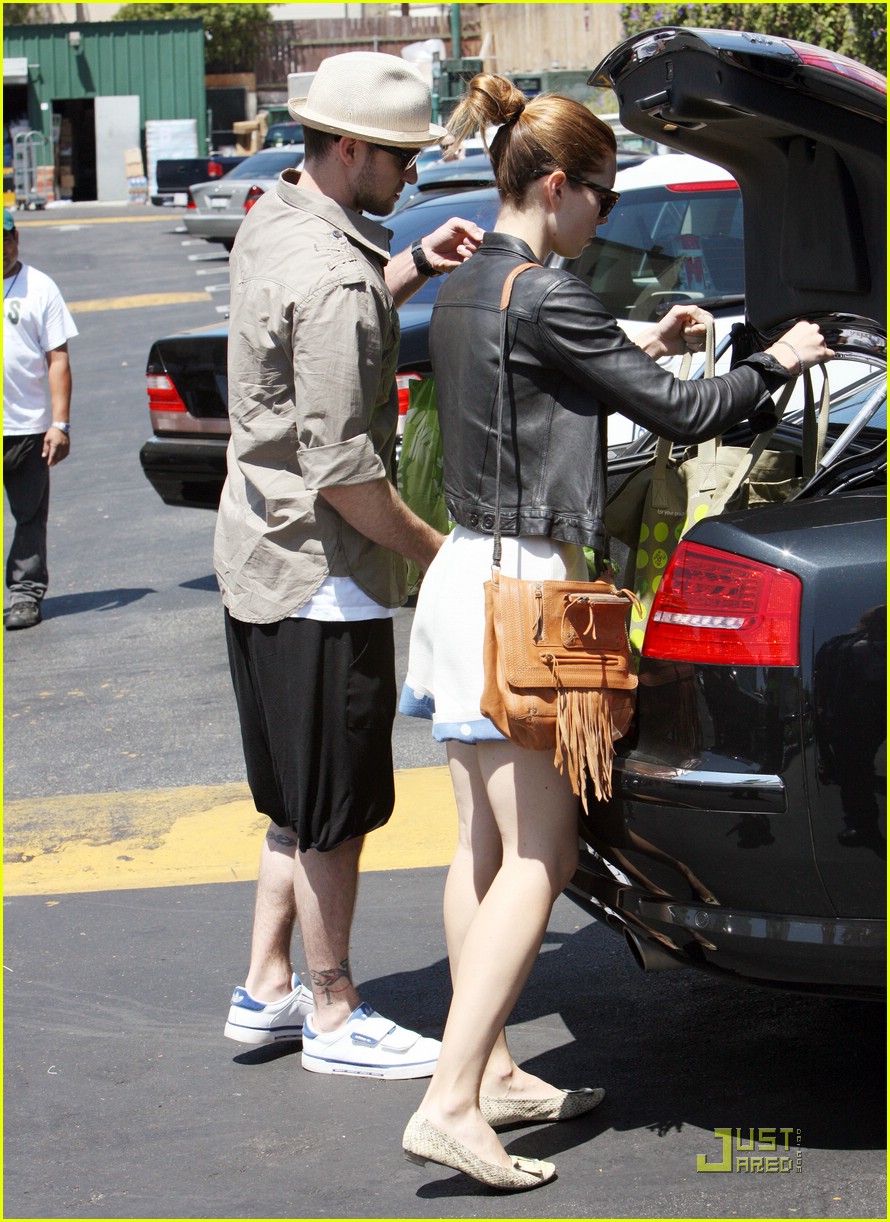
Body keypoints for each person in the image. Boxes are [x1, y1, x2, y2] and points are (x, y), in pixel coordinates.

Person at [399, 75, 832, 1188]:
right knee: (543, 850)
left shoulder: (468, 285)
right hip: (539, 587)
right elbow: (685, 414)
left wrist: (640, 330)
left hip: (462, 575)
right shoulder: (545, 291)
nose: (602, 213)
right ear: (554, 185)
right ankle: (452, 1097)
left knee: (478, 845)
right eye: (597, 193)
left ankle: (487, 1068)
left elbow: (541, 360)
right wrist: (771, 361)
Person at [213, 52, 484, 1080]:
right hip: (322, 571)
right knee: (336, 811)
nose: (413, 175)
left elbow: (317, 315)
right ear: (354, 148)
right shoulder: (331, 278)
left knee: (294, 796)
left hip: (256, 555)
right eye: (403, 158)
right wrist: (435, 555)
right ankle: (332, 1013)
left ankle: (266, 985)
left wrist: (410, 268)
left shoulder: (274, 215)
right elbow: (343, 473)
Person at [3, 208, 77, 631]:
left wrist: (59, 423)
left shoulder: (39, 287)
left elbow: (58, 358)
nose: (5, 246)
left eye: (9, 238)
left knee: (29, 516)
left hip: (27, 429)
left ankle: (25, 594)